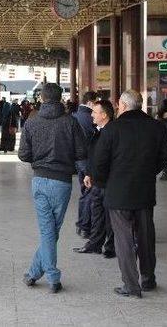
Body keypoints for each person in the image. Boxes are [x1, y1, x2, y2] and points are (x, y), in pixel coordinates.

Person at [93, 90, 167, 298]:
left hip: (118, 192)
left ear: (123, 105)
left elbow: (99, 162)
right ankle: (148, 279)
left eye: (118, 104)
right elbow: (165, 156)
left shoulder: (112, 129)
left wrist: (104, 182)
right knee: (146, 236)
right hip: (144, 191)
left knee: (124, 238)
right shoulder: (156, 127)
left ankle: (131, 284)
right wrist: (148, 172)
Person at [18, 83, 86, 293]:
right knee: (51, 231)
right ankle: (47, 275)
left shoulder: (32, 122)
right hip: (62, 182)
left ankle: (39, 274)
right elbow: (81, 153)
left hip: (39, 180)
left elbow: (23, 155)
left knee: (49, 231)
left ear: (42, 98)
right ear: (61, 98)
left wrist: (38, 158)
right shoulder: (71, 122)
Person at [73, 100, 115, 258]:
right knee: (96, 213)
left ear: (104, 115)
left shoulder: (112, 132)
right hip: (97, 180)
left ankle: (111, 247)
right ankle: (95, 244)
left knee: (110, 216)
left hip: (108, 182)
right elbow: (94, 155)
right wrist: (89, 174)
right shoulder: (98, 131)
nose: (91, 115)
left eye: (95, 112)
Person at [73, 91, 99, 239]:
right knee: (90, 192)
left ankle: (84, 225)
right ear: (90, 102)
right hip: (88, 160)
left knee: (85, 190)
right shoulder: (89, 118)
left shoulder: (74, 116)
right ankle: (84, 225)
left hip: (78, 160)